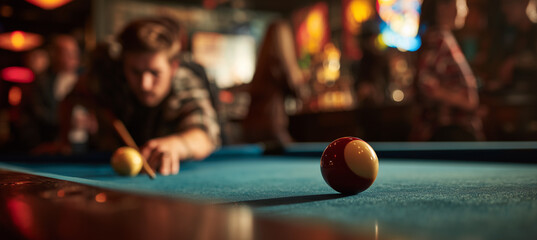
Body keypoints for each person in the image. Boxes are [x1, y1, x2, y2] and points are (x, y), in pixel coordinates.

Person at [58, 17, 220, 175]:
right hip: (104, 163)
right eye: (135, 72)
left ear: (173, 67)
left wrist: (177, 145)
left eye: (154, 72)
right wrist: (63, 140)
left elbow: (205, 134)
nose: (145, 84)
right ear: (124, 64)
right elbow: (73, 96)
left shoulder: (184, 81)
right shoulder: (108, 75)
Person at [410, 0, 484, 141]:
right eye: (460, 3)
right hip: (447, 136)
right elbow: (424, 82)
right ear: (441, 6)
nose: (465, 9)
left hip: (450, 134)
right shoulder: (438, 38)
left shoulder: (442, 37)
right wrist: (466, 101)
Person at [242, 20, 306, 146]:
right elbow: (299, 91)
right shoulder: (280, 66)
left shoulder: (263, 63)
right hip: (272, 125)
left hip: (251, 126)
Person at [18, 35, 81, 151]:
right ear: (55, 55)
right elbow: (38, 114)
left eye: (74, 52)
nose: (72, 57)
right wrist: (68, 122)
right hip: (50, 148)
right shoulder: (42, 82)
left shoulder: (86, 82)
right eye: (66, 53)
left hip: (84, 148)